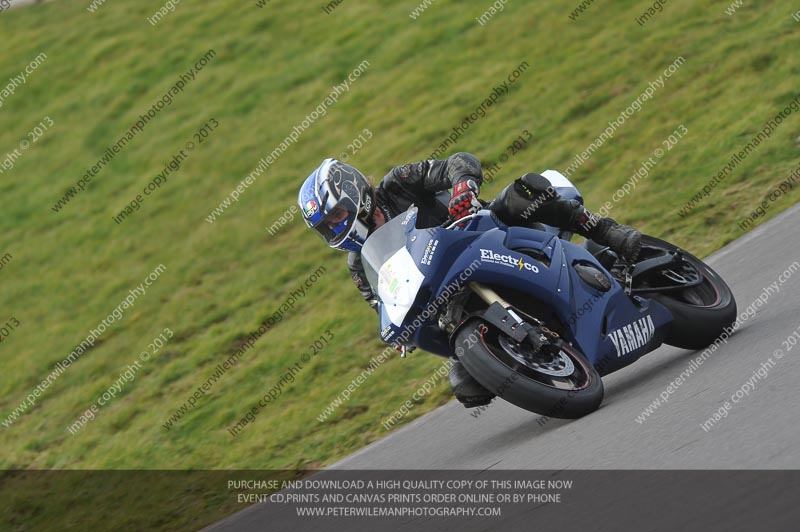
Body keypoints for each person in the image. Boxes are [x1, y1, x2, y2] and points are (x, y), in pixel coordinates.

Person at [297, 153, 641, 408]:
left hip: (484, 232)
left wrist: (463, 186)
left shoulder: (397, 184)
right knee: (467, 386)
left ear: (354, 192)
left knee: (523, 195)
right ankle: (532, 359)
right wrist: (401, 333)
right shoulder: (359, 264)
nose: (337, 227)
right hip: (449, 302)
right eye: (328, 226)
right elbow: (381, 303)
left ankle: (606, 231)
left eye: (338, 215)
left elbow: (455, 162)